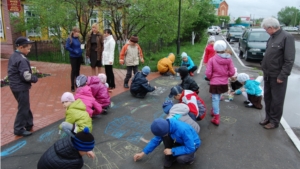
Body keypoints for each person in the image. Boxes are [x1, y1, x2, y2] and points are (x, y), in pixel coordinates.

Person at [260, 17, 295, 129]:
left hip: (277, 75)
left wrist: (282, 75)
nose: (266, 31)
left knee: (277, 100)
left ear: (271, 27)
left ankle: (274, 121)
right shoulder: (272, 38)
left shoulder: (286, 37)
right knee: (268, 98)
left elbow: (289, 59)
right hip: (268, 74)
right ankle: (268, 118)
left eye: (266, 29)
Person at [133, 118, 200, 168]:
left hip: (192, 145)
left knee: (181, 159)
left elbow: (190, 148)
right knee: (165, 137)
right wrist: (143, 153)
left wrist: (172, 150)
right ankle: (170, 157)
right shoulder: (165, 126)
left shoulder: (183, 130)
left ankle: (191, 158)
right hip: (178, 140)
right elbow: (155, 140)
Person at [8, 37, 38, 137]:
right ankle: (18, 129)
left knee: (25, 105)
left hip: (14, 86)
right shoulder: (21, 59)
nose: (29, 51)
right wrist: (34, 78)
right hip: (20, 87)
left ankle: (29, 123)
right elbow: (26, 76)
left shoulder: (14, 55)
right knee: (23, 108)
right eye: (28, 49)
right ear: (21, 47)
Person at [205, 40, 235, 126]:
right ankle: (214, 110)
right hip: (223, 82)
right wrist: (226, 74)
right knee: (218, 96)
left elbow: (208, 73)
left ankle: (216, 117)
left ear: (215, 49)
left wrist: (211, 78)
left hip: (215, 82)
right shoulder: (229, 59)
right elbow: (232, 72)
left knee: (215, 98)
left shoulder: (212, 59)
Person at [65, 27, 83, 92]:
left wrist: (82, 50)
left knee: (78, 70)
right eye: (77, 32)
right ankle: (72, 85)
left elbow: (80, 46)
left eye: (78, 32)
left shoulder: (78, 39)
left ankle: (77, 84)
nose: (78, 33)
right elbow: (67, 47)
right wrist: (73, 51)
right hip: (73, 56)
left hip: (79, 56)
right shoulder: (70, 39)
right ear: (73, 32)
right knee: (74, 70)